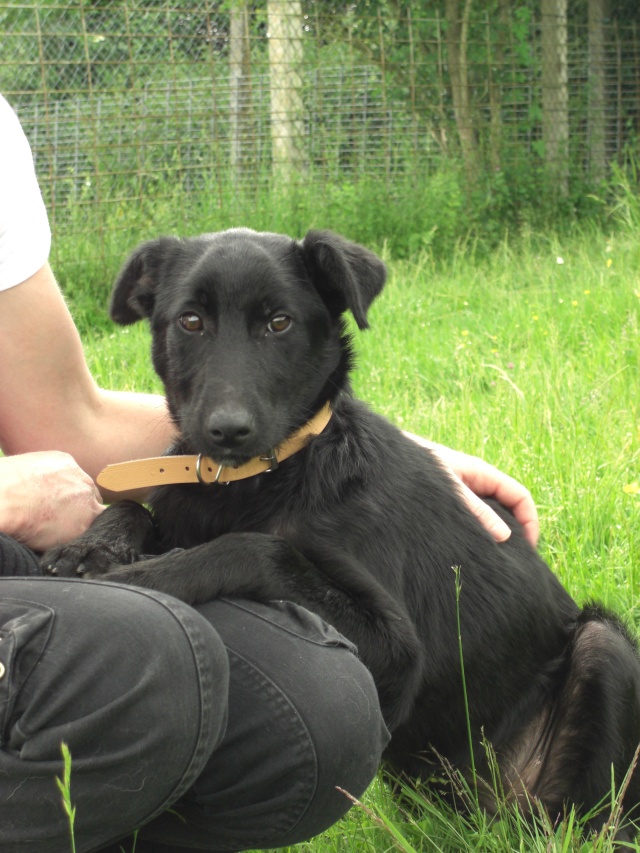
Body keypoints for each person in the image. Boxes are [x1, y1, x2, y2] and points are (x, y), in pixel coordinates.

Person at [0, 93, 538, 853]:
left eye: (276, 323)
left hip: (533, 721)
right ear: (153, 312)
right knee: (165, 654)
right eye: (192, 324)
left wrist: (397, 445)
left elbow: (65, 418)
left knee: (313, 702)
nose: (224, 405)